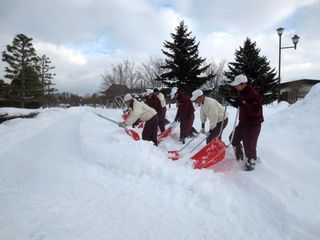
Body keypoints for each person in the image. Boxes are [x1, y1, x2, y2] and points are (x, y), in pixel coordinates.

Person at [227, 74, 264, 171]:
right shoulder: (242, 93)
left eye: (237, 85)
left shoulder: (254, 94)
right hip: (243, 122)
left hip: (253, 124)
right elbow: (240, 104)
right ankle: (239, 153)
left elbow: (256, 112)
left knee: (249, 144)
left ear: (243, 84)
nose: (235, 87)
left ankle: (251, 161)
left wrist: (243, 104)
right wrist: (232, 101)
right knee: (233, 138)